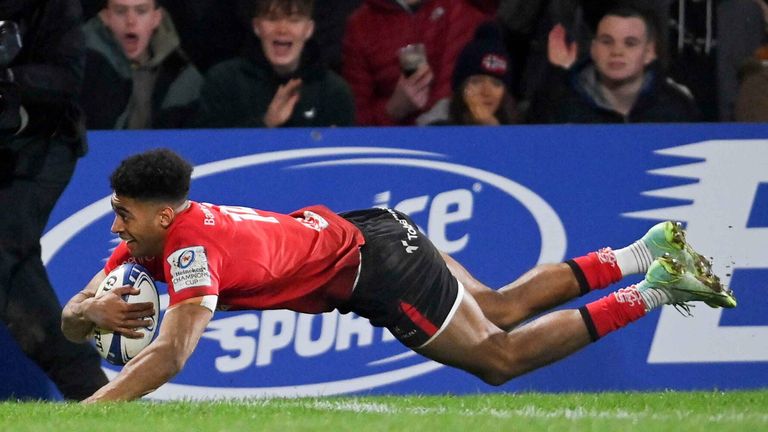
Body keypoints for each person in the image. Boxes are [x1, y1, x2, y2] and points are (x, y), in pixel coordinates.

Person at [61, 148, 737, 402]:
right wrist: (91, 313)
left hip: (377, 268)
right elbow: (75, 309)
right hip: (377, 228)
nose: (114, 228)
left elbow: (173, 354)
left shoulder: (189, 251)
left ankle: (656, 288)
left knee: (498, 360)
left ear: (164, 214)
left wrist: (94, 414)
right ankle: (645, 251)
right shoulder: (148, 238)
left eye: (123, 216)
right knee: (499, 307)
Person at [0, 0, 108, 400]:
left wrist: (9, 77)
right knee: (17, 275)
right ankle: (89, 388)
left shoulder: (53, 6)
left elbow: (65, 79)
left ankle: (86, 383)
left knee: (3, 249)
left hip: (43, 146)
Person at [527, 5, 700, 124]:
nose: (617, 51)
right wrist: (557, 75)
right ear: (593, 49)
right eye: (607, 41)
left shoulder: (677, 105)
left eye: (630, 43)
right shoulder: (561, 104)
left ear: (649, 53)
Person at [195, 0, 354, 128]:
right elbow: (209, 152)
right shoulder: (223, 82)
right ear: (257, 27)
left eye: (294, 20)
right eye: (272, 19)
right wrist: (266, 123)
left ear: (309, 29)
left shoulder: (334, 92)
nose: (282, 29)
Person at [341, 0, 498, 126]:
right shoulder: (360, 26)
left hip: (469, 137)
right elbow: (354, 122)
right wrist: (393, 109)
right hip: (402, 148)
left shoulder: (470, 6)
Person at [80, 0, 203, 129]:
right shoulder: (80, 69)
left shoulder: (181, 74)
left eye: (141, 11)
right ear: (106, 17)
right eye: (120, 11)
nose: (130, 21)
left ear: (156, 18)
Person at [420, 21, 518, 126]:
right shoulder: (434, 128)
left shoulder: (516, 132)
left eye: (496, 84)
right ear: (460, 87)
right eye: (476, 82)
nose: (486, 92)